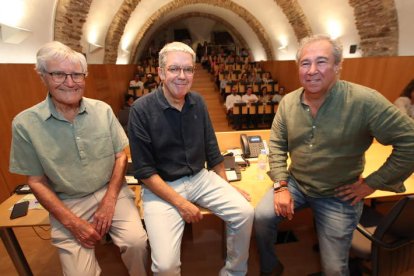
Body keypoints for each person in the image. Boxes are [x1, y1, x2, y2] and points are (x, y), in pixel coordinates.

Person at [254, 34, 414, 276]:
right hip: (296, 183)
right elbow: (276, 144)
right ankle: (270, 266)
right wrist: (280, 186)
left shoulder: (364, 101)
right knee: (261, 217)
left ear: (338, 66)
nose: (312, 70)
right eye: (305, 63)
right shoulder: (288, 103)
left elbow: (409, 142)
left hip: (339, 193)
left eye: (322, 62)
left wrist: (372, 184)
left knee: (334, 269)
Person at [9, 41, 148, 275]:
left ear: (84, 76)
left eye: (76, 74)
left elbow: (120, 157)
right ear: (43, 76)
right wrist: (73, 223)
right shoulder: (25, 124)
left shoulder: (102, 110)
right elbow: (36, 181)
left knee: (136, 242)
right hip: (67, 201)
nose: (70, 82)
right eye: (59, 74)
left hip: (111, 190)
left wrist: (110, 200)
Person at [128, 41, 254, 276]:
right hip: (161, 187)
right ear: (161, 72)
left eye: (188, 69)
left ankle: (233, 272)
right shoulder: (141, 110)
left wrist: (226, 186)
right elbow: (144, 171)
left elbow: (212, 150)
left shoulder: (198, 102)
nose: (182, 76)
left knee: (245, 212)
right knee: (165, 267)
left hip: (200, 178)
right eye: (174, 69)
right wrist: (181, 203)